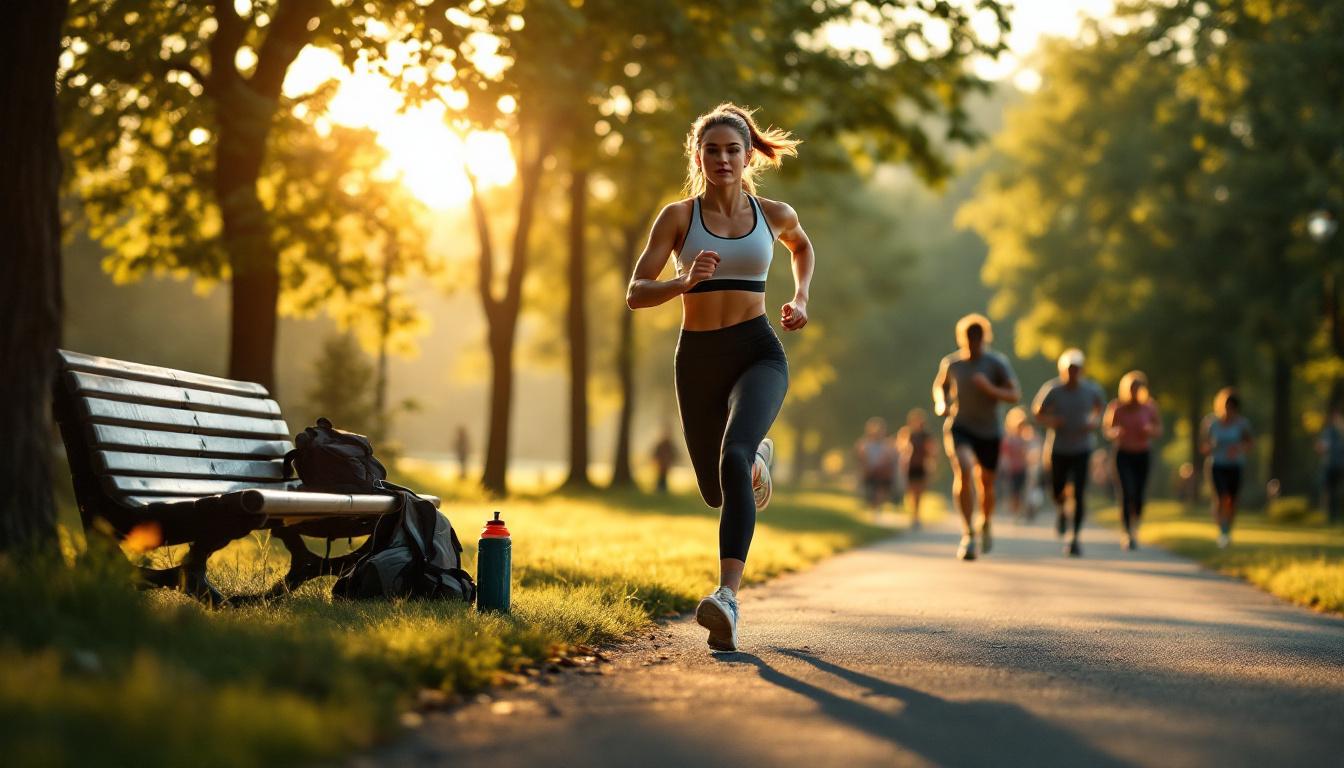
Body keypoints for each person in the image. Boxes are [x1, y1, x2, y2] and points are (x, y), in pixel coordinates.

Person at [626, 103, 812, 651]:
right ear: (699, 156)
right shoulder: (679, 217)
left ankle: (727, 598)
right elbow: (636, 292)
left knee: (732, 459)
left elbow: (801, 247)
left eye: (734, 149)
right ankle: (757, 459)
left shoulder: (773, 213)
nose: (724, 158)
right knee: (716, 489)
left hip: (758, 352)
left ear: (749, 154)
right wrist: (682, 282)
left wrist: (800, 297)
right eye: (713, 150)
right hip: (699, 358)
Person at [932, 313, 1021, 560]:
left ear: (985, 338)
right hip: (961, 426)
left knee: (987, 484)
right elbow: (940, 387)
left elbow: (1015, 394)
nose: (974, 343)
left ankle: (986, 521)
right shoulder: (953, 364)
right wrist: (941, 403)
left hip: (990, 430)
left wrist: (989, 388)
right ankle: (968, 533)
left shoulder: (996, 363)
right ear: (962, 339)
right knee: (963, 468)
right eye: (969, 339)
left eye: (978, 339)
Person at [1032, 348, 1106, 557]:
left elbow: (1100, 409)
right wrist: (1051, 421)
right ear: (1063, 370)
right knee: (1058, 490)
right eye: (1069, 369)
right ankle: (1061, 512)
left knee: (1080, 493)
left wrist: (1094, 421)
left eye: (1076, 369)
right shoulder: (1053, 389)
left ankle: (1074, 537)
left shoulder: (1091, 390)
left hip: (1082, 448)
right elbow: (1037, 412)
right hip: (1058, 448)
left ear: (1082, 370)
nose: (1073, 373)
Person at [1103, 371, 1162, 550]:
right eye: (1131, 389)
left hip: (1142, 455)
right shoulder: (1117, 407)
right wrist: (1116, 433)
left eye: (1137, 389)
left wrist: (1150, 430)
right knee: (1127, 492)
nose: (1134, 392)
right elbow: (1108, 429)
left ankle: (1135, 524)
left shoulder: (1149, 407)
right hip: (1123, 455)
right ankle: (1127, 531)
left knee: (1138, 494)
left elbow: (1159, 430)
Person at [1201, 387, 1253, 548]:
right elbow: (1203, 446)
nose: (1229, 410)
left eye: (1232, 407)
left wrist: (1238, 449)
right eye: (1226, 406)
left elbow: (1249, 443)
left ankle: (1227, 530)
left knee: (1232, 500)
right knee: (1222, 497)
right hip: (1217, 465)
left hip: (1235, 466)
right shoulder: (1211, 423)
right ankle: (1222, 532)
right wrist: (1210, 446)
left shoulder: (1242, 424)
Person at [895, 409, 935, 530]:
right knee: (911, 491)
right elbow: (900, 448)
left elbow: (932, 450)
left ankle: (917, 516)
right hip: (910, 466)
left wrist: (932, 464)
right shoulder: (906, 433)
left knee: (919, 492)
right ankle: (913, 515)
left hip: (922, 465)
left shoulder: (926, 435)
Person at [854, 417, 898, 519]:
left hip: (881, 472)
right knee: (871, 491)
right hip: (869, 471)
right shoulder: (865, 444)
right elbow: (861, 456)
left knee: (880, 490)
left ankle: (876, 510)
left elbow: (890, 457)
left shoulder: (886, 444)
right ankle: (873, 509)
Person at [999, 406, 1033, 523]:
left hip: (1023, 468)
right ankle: (1015, 513)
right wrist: (1006, 465)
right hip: (1012, 469)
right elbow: (1005, 454)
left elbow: (1029, 452)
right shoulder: (1009, 439)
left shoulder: (1026, 438)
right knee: (1014, 493)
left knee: (1023, 491)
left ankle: (1021, 513)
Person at [1316, 402, 1344, 525]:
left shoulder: (1339, 432)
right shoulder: (1329, 431)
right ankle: (1329, 516)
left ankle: (1334, 516)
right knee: (1329, 490)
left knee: (1335, 491)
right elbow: (1323, 448)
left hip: (1338, 465)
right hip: (1330, 465)